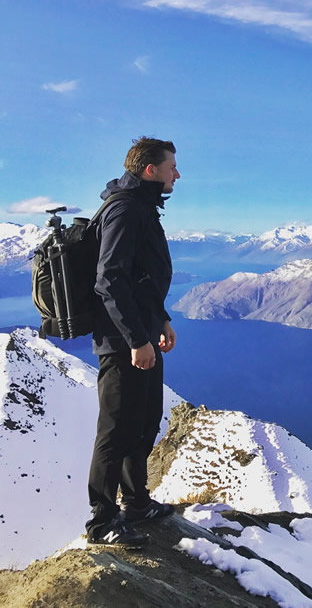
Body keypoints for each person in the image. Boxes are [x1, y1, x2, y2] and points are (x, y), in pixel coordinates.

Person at [85, 137, 180, 548]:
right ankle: (102, 521)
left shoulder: (142, 206)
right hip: (124, 340)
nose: (177, 173)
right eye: (172, 166)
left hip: (143, 333)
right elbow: (109, 280)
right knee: (116, 430)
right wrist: (136, 339)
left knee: (144, 423)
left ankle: (137, 503)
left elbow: (142, 277)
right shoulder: (125, 209)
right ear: (150, 170)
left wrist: (161, 319)